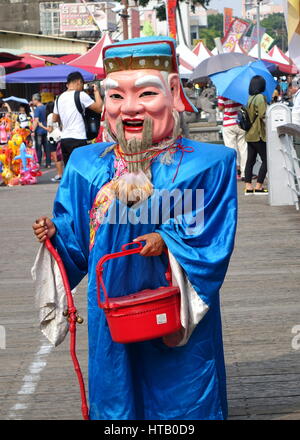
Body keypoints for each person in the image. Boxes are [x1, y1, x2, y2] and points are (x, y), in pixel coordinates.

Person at [32, 36, 237, 420]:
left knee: (184, 378)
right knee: (117, 382)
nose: (129, 109)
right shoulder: (84, 165)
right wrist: (55, 234)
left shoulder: (210, 164)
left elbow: (213, 231)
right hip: (112, 298)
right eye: (115, 96)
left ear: (173, 91)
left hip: (174, 299)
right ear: (102, 99)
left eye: (145, 93)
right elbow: (75, 234)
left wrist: (167, 239)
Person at [53, 72, 102, 165]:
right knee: (81, 168)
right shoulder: (80, 95)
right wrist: (96, 92)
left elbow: (54, 118)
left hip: (64, 139)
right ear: (79, 82)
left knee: (69, 169)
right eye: (82, 85)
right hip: (78, 138)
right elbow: (99, 108)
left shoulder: (59, 98)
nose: (82, 87)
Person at [244, 75, 268, 195]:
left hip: (249, 134)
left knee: (250, 160)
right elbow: (264, 115)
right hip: (258, 134)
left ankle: (248, 186)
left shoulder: (250, 98)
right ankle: (259, 186)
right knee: (266, 160)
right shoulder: (260, 97)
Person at [218, 96, 247, 180]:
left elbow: (220, 107)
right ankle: (244, 173)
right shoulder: (241, 92)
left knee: (231, 150)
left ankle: (233, 173)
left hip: (228, 124)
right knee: (244, 149)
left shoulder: (222, 93)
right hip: (240, 123)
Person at [38, 101, 63, 182]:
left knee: (56, 158)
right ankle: (61, 174)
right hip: (60, 136)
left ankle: (59, 175)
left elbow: (50, 129)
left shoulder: (50, 116)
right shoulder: (59, 114)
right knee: (60, 157)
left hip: (53, 138)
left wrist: (41, 126)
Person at [31, 93, 51, 168]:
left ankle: (38, 162)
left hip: (39, 130)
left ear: (36, 100)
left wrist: (33, 130)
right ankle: (48, 163)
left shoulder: (37, 109)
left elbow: (36, 121)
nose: (32, 101)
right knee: (46, 147)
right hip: (46, 129)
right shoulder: (45, 107)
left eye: (33, 100)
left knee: (38, 147)